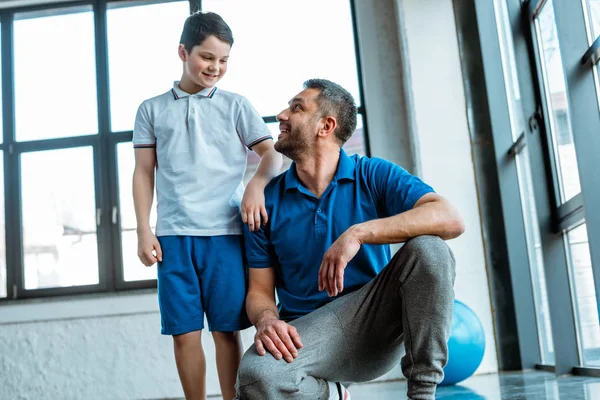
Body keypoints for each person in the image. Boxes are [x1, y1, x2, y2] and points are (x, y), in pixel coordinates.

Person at [235, 79, 464, 400]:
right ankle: (331, 393)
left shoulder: (373, 174)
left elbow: (449, 218)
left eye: (297, 107)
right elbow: (259, 291)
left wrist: (358, 233)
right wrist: (267, 320)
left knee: (429, 248)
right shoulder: (265, 202)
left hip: (375, 327)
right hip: (308, 336)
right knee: (255, 378)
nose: (282, 114)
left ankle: (423, 395)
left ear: (326, 126)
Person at [132, 11, 282, 400]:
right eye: (206, 57)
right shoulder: (151, 109)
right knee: (183, 334)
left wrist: (256, 186)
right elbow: (143, 172)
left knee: (225, 332)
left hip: (226, 235)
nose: (215, 67)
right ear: (183, 52)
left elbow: (272, 156)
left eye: (224, 60)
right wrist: (144, 229)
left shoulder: (236, 105)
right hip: (173, 237)